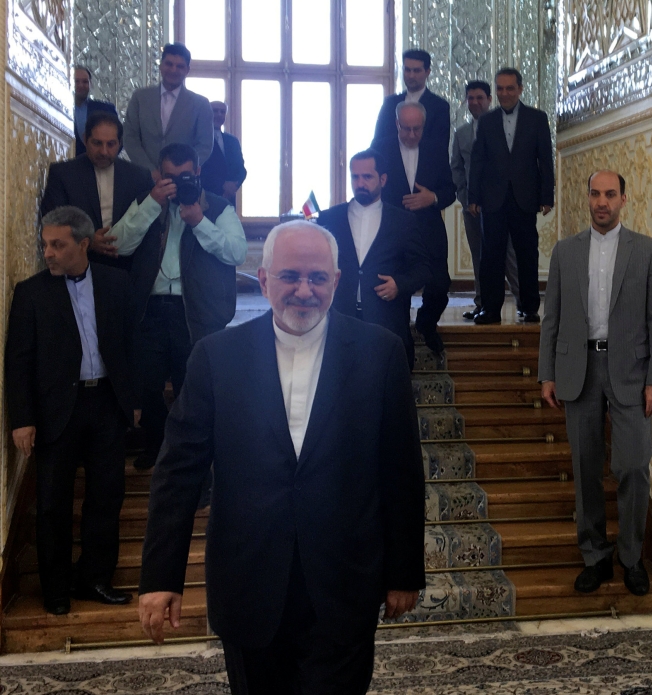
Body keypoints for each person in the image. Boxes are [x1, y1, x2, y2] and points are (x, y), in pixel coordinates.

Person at [137, 221, 425, 694]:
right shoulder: (216, 356)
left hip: (344, 581)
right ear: (264, 279)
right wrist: (160, 576)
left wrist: (404, 571)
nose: (304, 291)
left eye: (317, 278)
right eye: (290, 276)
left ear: (336, 281)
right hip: (248, 582)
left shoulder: (381, 354)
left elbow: (400, 473)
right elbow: (177, 474)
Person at [538, 170, 652, 596]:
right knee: (585, 468)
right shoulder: (565, 252)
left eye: (610, 194)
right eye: (594, 193)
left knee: (632, 466)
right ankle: (594, 556)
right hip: (578, 371)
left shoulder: (649, 252)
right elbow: (552, 319)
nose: (601, 202)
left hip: (632, 375)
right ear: (587, 198)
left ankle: (631, 557)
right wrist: (547, 373)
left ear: (623, 200)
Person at [5, 207, 136, 615]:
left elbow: (131, 344)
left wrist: (131, 400)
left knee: (106, 497)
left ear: (83, 244)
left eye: (58, 245)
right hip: (56, 409)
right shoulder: (30, 293)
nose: (49, 253)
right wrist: (22, 419)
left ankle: (95, 578)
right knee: (51, 504)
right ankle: (56, 590)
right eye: (45, 244)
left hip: (106, 404)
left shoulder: (117, 283)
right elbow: (18, 361)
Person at [111, 143, 247, 470]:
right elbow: (118, 245)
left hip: (196, 312)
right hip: (151, 310)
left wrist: (200, 221)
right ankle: (157, 444)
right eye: (169, 177)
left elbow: (236, 253)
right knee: (146, 385)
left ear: (197, 173)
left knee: (193, 387)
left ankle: (189, 456)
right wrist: (150, 206)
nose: (176, 183)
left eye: (184, 176)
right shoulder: (148, 202)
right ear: (159, 175)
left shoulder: (217, 207)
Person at [317, 149, 429, 369]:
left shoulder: (403, 221)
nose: (360, 183)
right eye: (355, 177)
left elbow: (423, 268)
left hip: (385, 322)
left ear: (383, 179)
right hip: (339, 321)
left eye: (367, 177)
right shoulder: (330, 218)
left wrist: (399, 284)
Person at [469, 67, 554, 325]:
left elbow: (545, 160)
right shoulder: (486, 121)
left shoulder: (537, 118)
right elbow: (478, 161)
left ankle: (529, 307)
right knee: (490, 255)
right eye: (500, 88)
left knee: (527, 253)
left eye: (509, 88)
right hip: (492, 198)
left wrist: (547, 196)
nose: (504, 93)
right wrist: (473, 197)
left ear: (520, 89)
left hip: (525, 197)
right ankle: (490, 309)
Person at [373, 102, 456, 355]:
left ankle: (426, 323)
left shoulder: (435, 149)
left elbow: (450, 191)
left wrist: (432, 198)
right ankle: (401, 337)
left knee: (440, 286)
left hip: (429, 230)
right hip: (393, 233)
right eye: (405, 128)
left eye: (416, 129)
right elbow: (371, 185)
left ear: (424, 126)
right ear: (397, 124)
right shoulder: (381, 149)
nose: (410, 135)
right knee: (399, 286)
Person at [40, 112, 154, 271]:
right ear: (85, 139)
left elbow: (149, 229)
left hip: (125, 272)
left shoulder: (139, 177)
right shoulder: (63, 174)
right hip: (76, 268)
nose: (104, 151)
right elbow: (51, 222)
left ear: (120, 143)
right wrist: (87, 242)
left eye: (111, 144)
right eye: (97, 143)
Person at [451, 80, 521, 321]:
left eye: (480, 97)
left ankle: (524, 304)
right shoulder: (461, 134)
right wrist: (465, 197)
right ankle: (483, 304)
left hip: (501, 206)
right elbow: (457, 169)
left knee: (510, 256)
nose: (475, 102)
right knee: (480, 257)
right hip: (472, 208)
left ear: (490, 99)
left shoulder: (505, 128)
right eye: (470, 98)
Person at [123, 44, 214, 177]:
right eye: (169, 64)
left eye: (180, 66)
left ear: (187, 70)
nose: (173, 70)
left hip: (183, 179)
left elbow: (205, 145)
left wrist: (183, 170)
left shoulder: (201, 104)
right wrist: (150, 170)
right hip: (143, 175)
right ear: (160, 66)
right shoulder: (140, 98)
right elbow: (130, 138)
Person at [371, 49, 450, 158]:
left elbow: (439, 147)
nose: (411, 76)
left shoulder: (439, 107)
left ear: (427, 72)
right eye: (407, 70)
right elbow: (378, 142)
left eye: (416, 71)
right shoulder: (390, 104)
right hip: (391, 167)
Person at [200, 101, 247, 204]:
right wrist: (222, 186)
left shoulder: (232, 141)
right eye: (215, 111)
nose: (219, 115)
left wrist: (234, 186)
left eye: (222, 112)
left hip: (229, 198)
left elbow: (241, 169)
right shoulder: (199, 139)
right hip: (207, 197)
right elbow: (201, 168)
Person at [73, 66, 117, 156]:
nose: (81, 85)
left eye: (85, 82)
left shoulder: (106, 109)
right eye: (76, 81)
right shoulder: (58, 108)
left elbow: (120, 138)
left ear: (91, 84)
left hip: (101, 162)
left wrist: (109, 156)